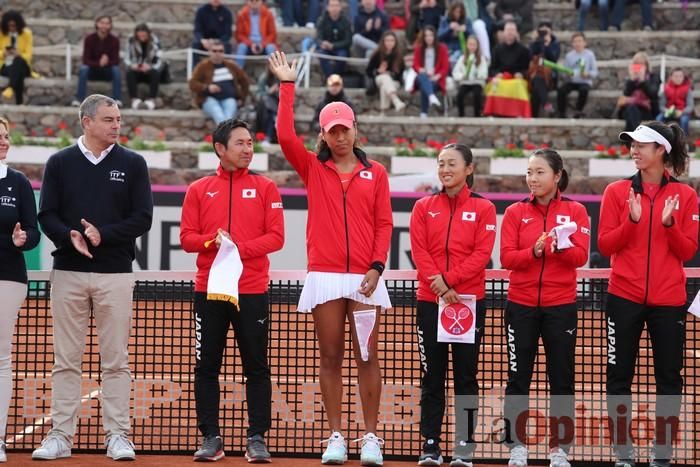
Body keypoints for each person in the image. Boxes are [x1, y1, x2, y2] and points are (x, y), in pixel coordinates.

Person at [270, 50, 392, 466]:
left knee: (368, 355)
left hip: (364, 279)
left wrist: (377, 267)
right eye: (332, 131)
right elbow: (285, 136)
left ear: (356, 130)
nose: (340, 137)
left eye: (345, 129)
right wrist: (288, 87)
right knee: (330, 356)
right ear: (323, 135)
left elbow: (384, 224)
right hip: (324, 276)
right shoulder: (311, 168)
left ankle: (371, 437)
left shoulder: (375, 172)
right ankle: (337, 435)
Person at [33, 94, 153, 461]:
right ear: (86, 122)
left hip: (115, 273)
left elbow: (143, 217)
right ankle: (60, 437)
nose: (117, 125)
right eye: (108, 119)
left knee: (115, 360)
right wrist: (69, 234)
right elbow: (47, 214)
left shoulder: (133, 163)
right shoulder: (60, 162)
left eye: (118, 119)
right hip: (68, 272)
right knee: (66, 360)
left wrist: (105, 234)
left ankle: (118, 435)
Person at [180, 118, 284, 463]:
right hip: (209, 291)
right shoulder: (198, 189)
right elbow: (187, 239)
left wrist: (238, 247)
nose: (248, 149)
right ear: (220, 148)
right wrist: (212, 241)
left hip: (252, 291)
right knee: (206, 365)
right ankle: (211, 437)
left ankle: (257, 437)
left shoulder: (267, 187)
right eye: (240, 143)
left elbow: (276, 237)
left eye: (250, 143)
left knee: (256, 366)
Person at [599, 121, 698, 467]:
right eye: (632, 145)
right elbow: (605, 244)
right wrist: (632, 221)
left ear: (661, 151)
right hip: (622, 297)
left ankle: (663, 454)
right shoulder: (616, 192)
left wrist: (670, 225)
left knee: (669, 378)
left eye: (642, 145)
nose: (634, 150)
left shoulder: (685, 196)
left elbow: (687, 251)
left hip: (668, 301)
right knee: (618, 376)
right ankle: (623, 453)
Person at [500, 148, 590, 467]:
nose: (533, 178)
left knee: (561, 378)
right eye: (529, 172)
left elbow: (581, 257)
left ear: (557, 175)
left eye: (539, 172)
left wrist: (559, 248)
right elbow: (507, 258)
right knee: (517, 378)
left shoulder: (577, 211)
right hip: (520, 306)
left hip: (560, 306)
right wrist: (535, 252)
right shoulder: (514, 212)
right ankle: (517, 446)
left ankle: (559, 449)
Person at [409, 143, 496, 467]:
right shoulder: (423, 206)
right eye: (441, 164)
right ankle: (430, 443)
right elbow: (419, 250)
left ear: (469, 169)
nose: (445, 169)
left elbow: (481, 254)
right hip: (430, 301)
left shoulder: (484, 209)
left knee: (466, 376)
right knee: (432, 376)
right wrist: (439, 284)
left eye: (452, 164)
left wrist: (449, 282)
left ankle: (464, 445)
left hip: (467, 302)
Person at [0, 116, 40, 463]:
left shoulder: (19, 182)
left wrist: (22, 239)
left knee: (0, 357)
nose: (3, 141)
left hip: (7, 277)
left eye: (6, 136)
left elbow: (33, 232)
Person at [188, 39, 250, 125]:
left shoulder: (231, 66)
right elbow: (192, 83)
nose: (217, 53)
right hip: (209, 99)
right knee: (218, 114)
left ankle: (222, 137)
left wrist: (241, 98)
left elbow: (245, 81)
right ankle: (225, 137)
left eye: (220, 51)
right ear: (209, 52)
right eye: (214, 51)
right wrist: (207, 88)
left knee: (229, 117)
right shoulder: (203, 66)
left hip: (229, 98)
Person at [72, 16, 121, 107]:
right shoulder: (89, 39)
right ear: (97, 24)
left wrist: (106, 62)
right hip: (92, 71)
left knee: (116, 69)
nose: (104, 26)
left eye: (107, 23)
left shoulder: (114, 40)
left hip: (107, 71)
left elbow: (116, 61)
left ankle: (117, 99)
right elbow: (86, 60)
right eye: (102, 23)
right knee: (83, 69)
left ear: (110, 25)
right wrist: (98, 63)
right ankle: (79, 98)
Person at [556, 32, 598, 118]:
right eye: (575, 41)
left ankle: (578, 111)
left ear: (584, 43)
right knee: (561, 90)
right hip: (572, 81)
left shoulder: (590, 55)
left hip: (585, 81)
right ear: (572, 44)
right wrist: (568, 73)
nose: (577, 43)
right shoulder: (569, 56)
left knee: (584, 90)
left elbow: (594, 72)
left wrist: (587, 74)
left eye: (579, 41)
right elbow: (565, 71)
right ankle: (561, 113)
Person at [412, 25, 450, 119]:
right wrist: (420, 69)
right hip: (422, 76)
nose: (428, 38)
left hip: (436, 79)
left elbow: (445, 67)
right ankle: (431, 96)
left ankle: (423, 113)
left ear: (434, 36)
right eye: (426, 35)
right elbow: (415, 65)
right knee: (422, 77)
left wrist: (437, 76)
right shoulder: (419, 49)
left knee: (425, 86)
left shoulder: (442, 48)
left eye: (431, 35)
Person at [124, 23, 163, 110]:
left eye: (144, 35)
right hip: (137, 69)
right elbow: (127, 58)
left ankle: (152, 100)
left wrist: (150, 67)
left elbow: (159, 58)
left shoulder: (155, 42)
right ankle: (134, 100)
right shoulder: (131, 41)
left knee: (155, 73)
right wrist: (133, 66)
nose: (142, 37)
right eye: (140, 35)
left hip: (149, 69)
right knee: (129, 73)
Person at [618, 52, 660, 132]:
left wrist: (643, 80)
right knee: (632, 109)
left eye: (641, 64)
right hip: (629, 109)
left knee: (632, 114)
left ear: (646, 65)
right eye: (636, 63)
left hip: (647, 109)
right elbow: (626, 94)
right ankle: (637, 135)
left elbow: (653, 94)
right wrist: (632, 80)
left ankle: (630, 139)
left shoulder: (653, 77)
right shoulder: (629, 79)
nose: (639, 66)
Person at [365, 30, 405, 113]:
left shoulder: (399, 55)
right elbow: (368, 71)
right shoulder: (377, 54)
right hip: (379, 79)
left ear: (395, 42)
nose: (389, 43)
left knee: (384, 86)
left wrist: (390, 74)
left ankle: (383, 112)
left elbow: (400, 75)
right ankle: (395, 100)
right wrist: (378, 71)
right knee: (384, 77)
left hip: (394, 82)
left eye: (392, 40)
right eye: (387, 40)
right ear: (383, 42)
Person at [528, 21, 560, 118]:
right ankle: (546, 105)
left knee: (537, 84)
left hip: (549, 76)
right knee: (537, 82)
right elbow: (529, 57)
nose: (544, 32)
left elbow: (553, 59)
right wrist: (534, 42)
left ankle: (534, 116)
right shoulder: (535, 43)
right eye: (542, 29)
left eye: (547, 29)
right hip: (535, 73)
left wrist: (547, 45)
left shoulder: (555, 44)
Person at [0, 11, 33, 105]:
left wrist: (19, 54)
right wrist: (3, 53)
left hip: (22, 63)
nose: (12, 28)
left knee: (19, 62)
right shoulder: (2, 34)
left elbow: (29, 55)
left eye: (14, 25)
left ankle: (11, 87)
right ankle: (19, 101)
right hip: (5, 65)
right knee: (19, 72)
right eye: (9, 26)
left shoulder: (27, 34)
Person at [234, 0, 278, 69]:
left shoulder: (268, 14)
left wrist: (262, 44)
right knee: (241, 47)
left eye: (257, 0)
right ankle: (238, 74)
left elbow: (272, 34)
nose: (254, 2)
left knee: (270, 48)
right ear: (247, 1)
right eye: (251, 0)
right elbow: (239, 35)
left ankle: (273, 73)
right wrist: (251, 44)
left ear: (261, 1)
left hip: (264, 44)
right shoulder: (242, 14)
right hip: (248, 44)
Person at [452, 35, 489, 117]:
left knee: (477, 94)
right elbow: (455, 72)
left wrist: (477, 74)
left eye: (474, 45)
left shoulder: (481, 59)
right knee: (460, 94)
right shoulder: (462, 58)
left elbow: (484, 73)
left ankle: (477, 115)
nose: (472, 47)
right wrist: (462, 76)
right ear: (467, 45)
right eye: (470, 44)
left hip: (477, 82)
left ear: (477, 46)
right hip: (465, 82)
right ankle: (461, 115)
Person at [316, 0, 352, 78]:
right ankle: (331, 79)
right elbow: (318, 38)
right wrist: (322, 43)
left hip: (340, 48)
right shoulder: (322, 20)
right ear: (327, 8)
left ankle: (336, 78)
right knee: (322, 54)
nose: (334, 8)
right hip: (326, 48)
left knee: (342, 56)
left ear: (340, 8)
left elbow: (348, 41)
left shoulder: (346, 21)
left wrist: (333, 45)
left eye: (336, 6)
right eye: (332, 6)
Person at [192, 0, 233, 65]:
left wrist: (215, 41)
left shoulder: (227, 13)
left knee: (227, 46)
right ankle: (195, 72)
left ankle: (225, 71)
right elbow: (197, 30)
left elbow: (228, 34)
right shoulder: (201, 11)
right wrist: (202, 40)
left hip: (220, 42)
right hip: (205, 43)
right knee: (195, 45)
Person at [656, 68, 692, 136]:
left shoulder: (687, 89)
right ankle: (659, 138)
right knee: (658, 118)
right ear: (671, 77)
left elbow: (690, 106)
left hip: (682, 112)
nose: (678, 78)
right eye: (676, 76)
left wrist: (682, 112)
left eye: (680, 76)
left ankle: (683, 139)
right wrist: (666, 110)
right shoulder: (666, 88)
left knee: (684, 121)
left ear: (683, 77)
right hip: (668, 112)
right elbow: (661, 105)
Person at [437, 2, 472, 67]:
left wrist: (466, 30)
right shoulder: (444, 20)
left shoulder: (467, 21)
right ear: (451, 11)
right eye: (455, 11)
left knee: (454, 60)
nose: (457, 14)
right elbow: (439, 36)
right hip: (448, 49)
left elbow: (473, 36)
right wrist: (449, 28)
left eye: (459, 12)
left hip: (461, 49)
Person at [255, 63, 279, 144]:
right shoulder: (264, 78)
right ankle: (267, 137)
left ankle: (267, 137)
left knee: (270, 112)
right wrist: (269, 91)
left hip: (278, 103)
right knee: (269, 112)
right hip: (265, 106)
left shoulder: (282, 77)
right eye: (272, 65)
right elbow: (258, 95)